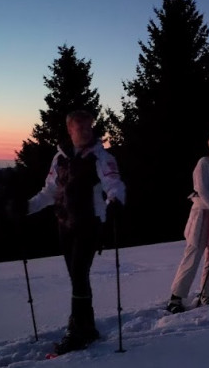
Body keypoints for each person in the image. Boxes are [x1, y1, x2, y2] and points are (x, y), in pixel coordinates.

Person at [25, 109, 126, 354]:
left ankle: (77, 329)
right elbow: (49, 192)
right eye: (80, 127)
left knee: (79, 274)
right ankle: (87, 326)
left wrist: (115, 201)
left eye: (88, 127)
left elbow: (115, 183)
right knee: (76, 277)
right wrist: (25, 208)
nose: (85, 131)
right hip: (64, 224)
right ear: (70, 129)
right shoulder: (59, 159)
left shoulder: (101, 157)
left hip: (89, 223)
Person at [167, 130, 209, 313]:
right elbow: (202, 190)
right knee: (193, 253)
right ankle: (176, 297)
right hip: (203, 215)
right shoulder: (203, 163)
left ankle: (208, 293)